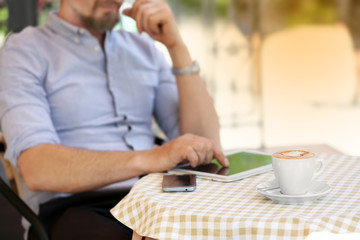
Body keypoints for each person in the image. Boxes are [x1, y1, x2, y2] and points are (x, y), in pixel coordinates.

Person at [0, 0, 228, 239]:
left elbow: (206, 145)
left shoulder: (144, 48)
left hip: (155, 198)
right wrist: (152, 158)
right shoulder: (22, 52)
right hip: (76, 209)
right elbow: (38, 168)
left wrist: (176, 47)